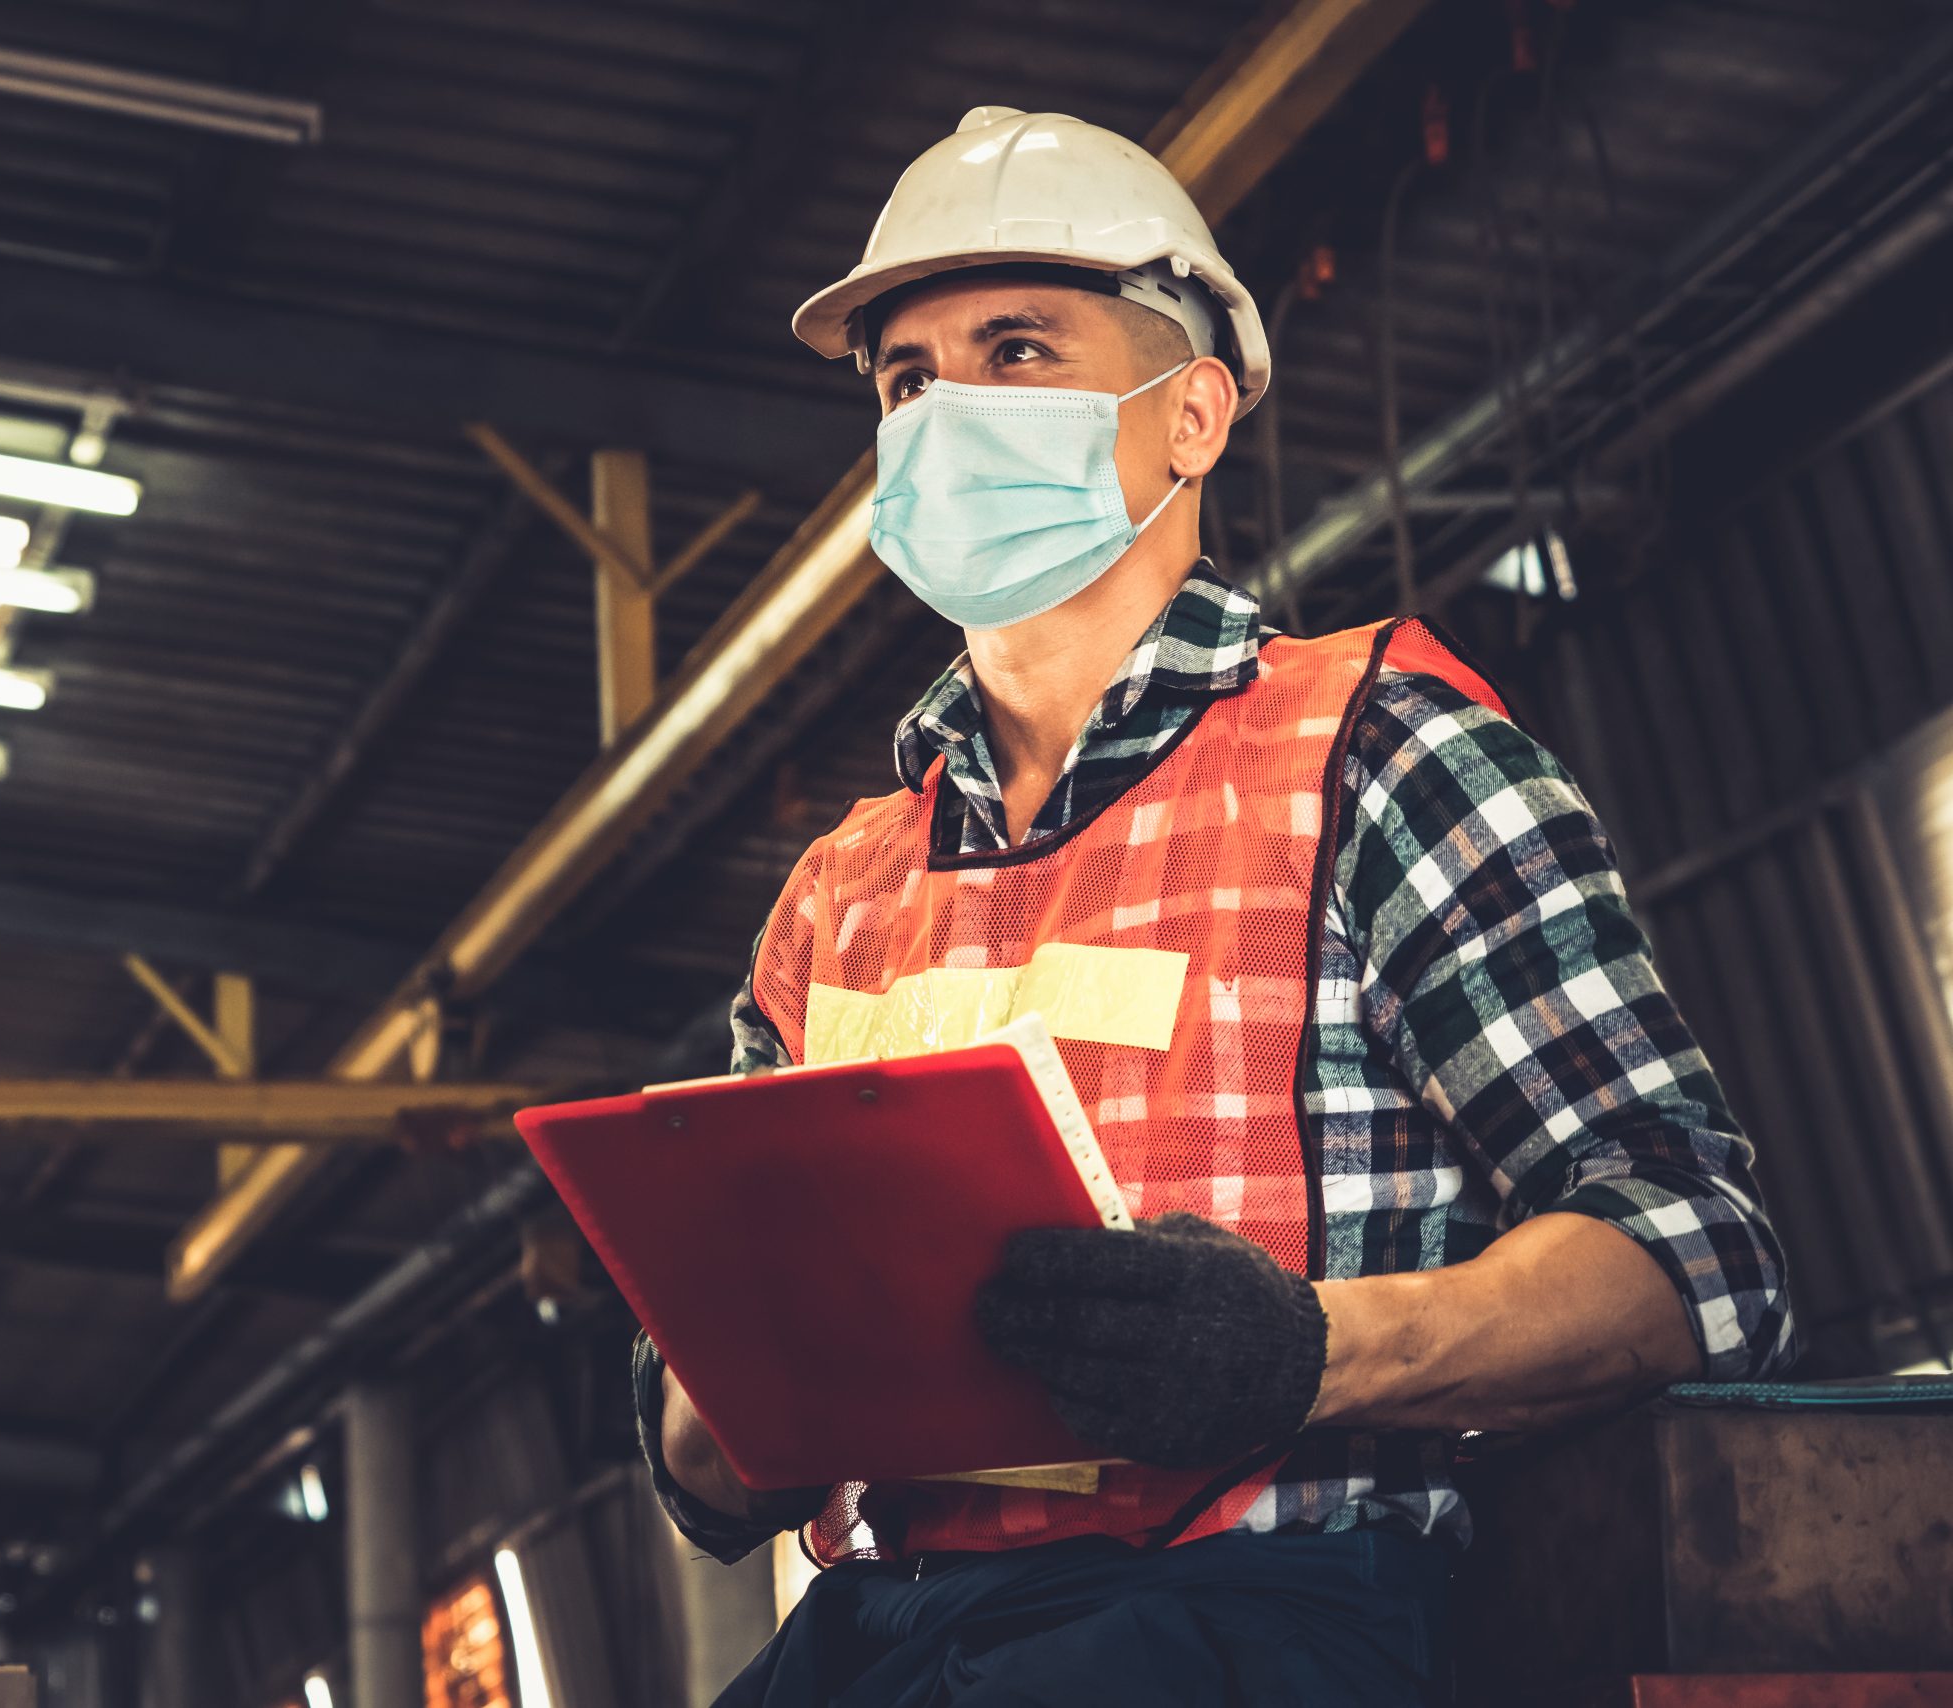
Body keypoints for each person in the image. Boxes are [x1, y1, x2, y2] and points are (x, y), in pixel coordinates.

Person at [630, 107, 1794, 1707]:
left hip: (1263, 1616)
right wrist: (726, 1389)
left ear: (1189, 417)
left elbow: (1700, 1252)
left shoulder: (1380, 755)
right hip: (887, 1635)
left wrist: (1309, 1354)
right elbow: (709, 1466)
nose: (946, 408)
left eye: (1019, 348)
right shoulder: (844, 893)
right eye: (906, 377)